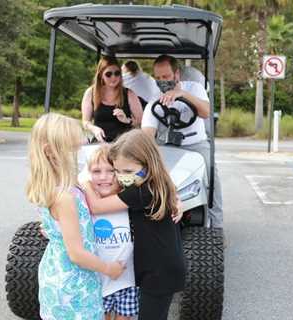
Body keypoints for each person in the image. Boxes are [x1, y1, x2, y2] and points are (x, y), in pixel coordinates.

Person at [26, 113, 125, 320]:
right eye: (73, 149)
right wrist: (109, 269)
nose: (79, 154)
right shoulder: (64, 197)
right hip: (72, 286)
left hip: (63, 277)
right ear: (50, 152)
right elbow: (76, 254)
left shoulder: (60, 186)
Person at [83, 129, 186, 320]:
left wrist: (85, 183)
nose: (122, 176)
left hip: (159, 273)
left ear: (148, 163)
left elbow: (96, 207)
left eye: (128, 171)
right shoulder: (153, 183)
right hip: (160, 269)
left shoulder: (143, 191)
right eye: (118, 171)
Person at [141, 54, 224, 229]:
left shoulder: (193, 88)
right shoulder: (155, 100)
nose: (162, 81)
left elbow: (205, 112)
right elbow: (147, 135)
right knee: (151, 174)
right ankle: (157, 217)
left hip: (196, 144)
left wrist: (182, 95)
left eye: (166, 77)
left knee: (212, 179)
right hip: (168, 146)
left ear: (176, 74)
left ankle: (216, 226)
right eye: (158, 78)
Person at [87, 145, 139, 320]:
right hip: (98, 283)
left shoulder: (129, 200)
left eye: (111, 171)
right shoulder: (85, 204)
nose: (104, 177)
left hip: (127, 283)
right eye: (96, 171)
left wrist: (176, 201)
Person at [82, 56, 143, 143]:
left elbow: (140, 121)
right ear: (101, 75)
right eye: (108, 74)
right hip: (100, 142)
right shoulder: (91, 93)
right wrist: (94, 129)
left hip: (124, 144)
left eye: (117, 73)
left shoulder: (129, 94)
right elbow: (85, 122)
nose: (113, 77)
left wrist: (127, 120)